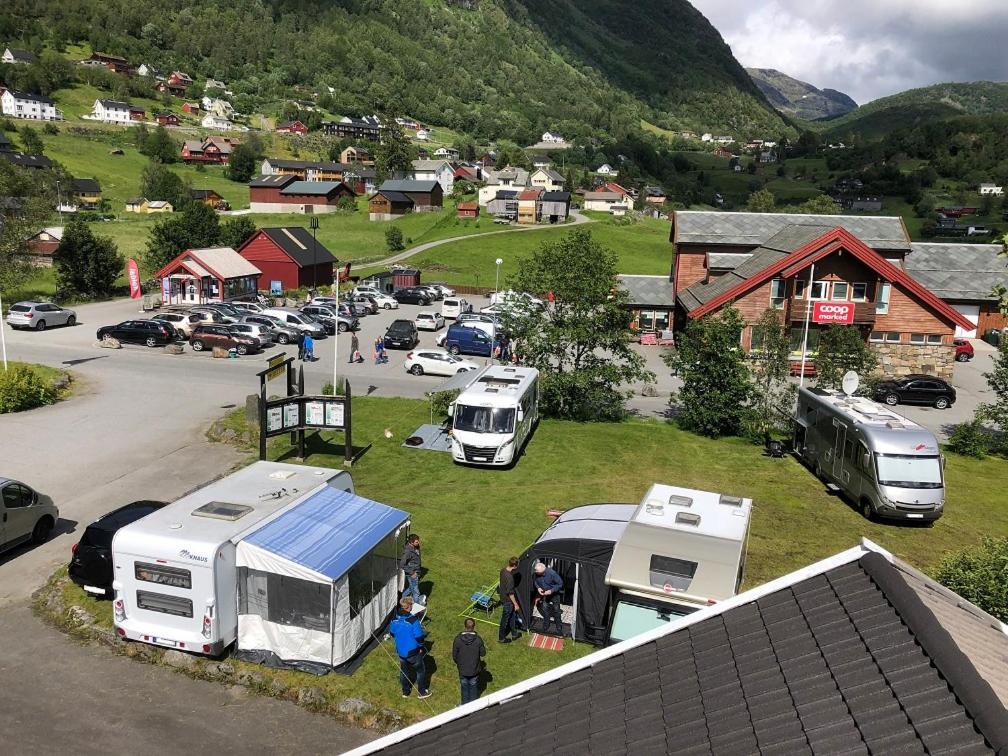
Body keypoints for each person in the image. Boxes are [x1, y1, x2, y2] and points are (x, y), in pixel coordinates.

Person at [389, 597, 430, 699]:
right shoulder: (413, 621)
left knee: (404, 671)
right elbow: (419, 637)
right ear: (409, 606)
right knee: (420, 671)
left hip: (401, 651)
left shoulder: (394, 619)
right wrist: (420, 647)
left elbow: (392, 633)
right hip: (413, 652)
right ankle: (422, 692)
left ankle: (405, 692)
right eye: (412, 604)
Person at [452, 618, 486, 706]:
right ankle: (473, 706)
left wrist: (459, 663)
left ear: (465, 626)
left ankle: (465, 706)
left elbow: (454, 656)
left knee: (464, 688)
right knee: (473, 687)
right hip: (474, 669)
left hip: (462, 669)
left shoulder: (457, 639)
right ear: (474, 626)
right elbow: (483, 653)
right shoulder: (478, 640)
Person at [534, 562, 564, 636]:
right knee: (545, 610)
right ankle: (546, 626)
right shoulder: (536, 573)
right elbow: (535, 581)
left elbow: (560, 584)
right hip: (545, 595)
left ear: (543, 571)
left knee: (556, 611)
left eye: (538, 572)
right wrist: (538, 588)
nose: (536, 573)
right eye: (536, 572)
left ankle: (559, 627)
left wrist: (551, 591)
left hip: (554, 595)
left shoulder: (552, 573)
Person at [498, 557, 521, 643]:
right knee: (505, 620)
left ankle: (514, 634)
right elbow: (510, 593)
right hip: (508, 601)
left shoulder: (503, 570)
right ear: (514, 566)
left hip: (503, 598)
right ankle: (501, 638)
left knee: (512, 616)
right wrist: (515, 604)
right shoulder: (510, 578)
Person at [399, 534, 423, 604]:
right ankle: (417, 609)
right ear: (411, 542)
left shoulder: (416, 547)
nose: (418, 543)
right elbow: (402, 564)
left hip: (416, 571)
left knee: (411, 588)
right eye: (416, 542)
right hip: (412, 574)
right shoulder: (407, 552)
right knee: (416, 592)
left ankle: (401, 599)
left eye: (418, 541)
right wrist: (412, 572)